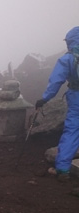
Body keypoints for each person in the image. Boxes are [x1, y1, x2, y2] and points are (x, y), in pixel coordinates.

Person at [35, 26, 79, 182]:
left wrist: (44, 99)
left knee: (73, 130)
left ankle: (62, 169)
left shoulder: (68, 59)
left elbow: (56, 82)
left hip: (76, 96)